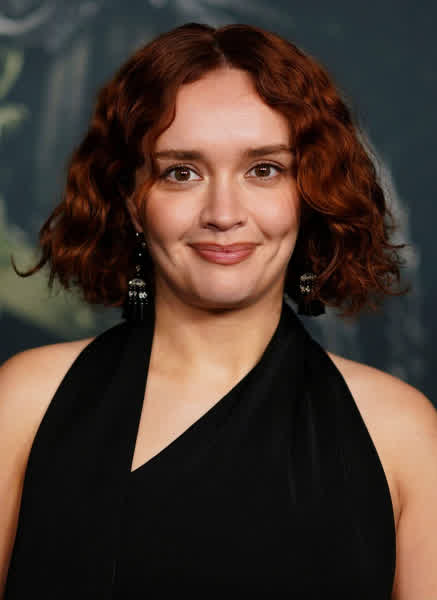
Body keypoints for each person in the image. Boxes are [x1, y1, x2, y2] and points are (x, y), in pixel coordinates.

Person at [0, 21, 436, 599]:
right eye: (182, 172)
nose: (223, 213)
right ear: (132, 202)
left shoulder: (401, 432)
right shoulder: (26, 402)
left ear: (308, 194)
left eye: (264, 170)